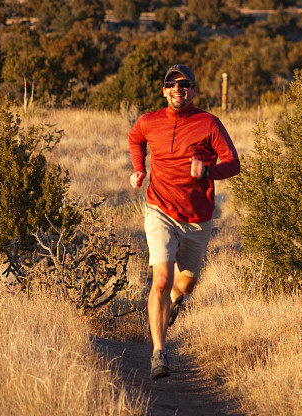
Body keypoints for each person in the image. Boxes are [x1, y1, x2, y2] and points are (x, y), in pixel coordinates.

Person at [128, 63, 240, 380]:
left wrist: (207, 172)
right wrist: (139, 168)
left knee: (185, 282)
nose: (178, 88)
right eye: (172, 84)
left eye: (185, 84)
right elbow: (134, 138)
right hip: (160, 208)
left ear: (193, 91)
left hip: (197, 216)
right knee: (161, 280)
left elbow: (233, 163)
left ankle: (177, 300)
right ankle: (158, 353)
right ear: (164, 91)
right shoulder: (149, 122)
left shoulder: (208, 123)